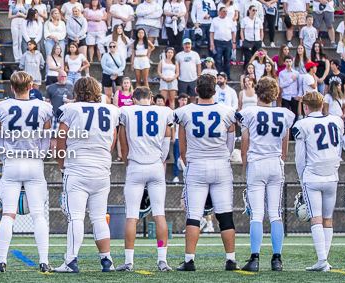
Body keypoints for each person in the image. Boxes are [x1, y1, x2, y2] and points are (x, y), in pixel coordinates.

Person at [51, 75, 119, 273]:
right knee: (99, 217)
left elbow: (60, 139)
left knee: (76, 217)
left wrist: (62, 164)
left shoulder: (70, 110)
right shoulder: (112, 110)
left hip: (78, 168)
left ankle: (71, 261)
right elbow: (111, 142)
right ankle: (107, 260)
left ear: (77, 91)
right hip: (101, 170)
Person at [173, 74, 238, 271]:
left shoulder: (184, 112)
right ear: (215, 90)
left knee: (194, 216)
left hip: (197, 166)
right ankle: (231, 260)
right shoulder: (227, 111)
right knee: (225, 215)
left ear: (195, 91)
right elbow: (230, 143)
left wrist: (189, 160)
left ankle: (190, 260)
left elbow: (181, 146)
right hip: (220, 165)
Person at [0, 72, 54, 273]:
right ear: (30, 87)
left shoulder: (1, 107)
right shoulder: (44, 108)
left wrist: (4, 156)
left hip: (11, 162)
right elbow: (46, 137)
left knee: (8, 214)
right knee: (38, 214)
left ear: (11, 87)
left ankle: (1, 261)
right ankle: (44, 261)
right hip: (34, 162)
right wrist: (40, 155)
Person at [237, 77, 294, 271]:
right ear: (275, 94)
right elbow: (285, 147)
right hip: (275, 163)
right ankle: (277, 259)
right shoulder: (285, 114)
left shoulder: (248, 112)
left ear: (257, 92)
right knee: (275, 213)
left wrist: (246, 166)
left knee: (257, 215)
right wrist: (280, 160)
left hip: (256, 163)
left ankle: (254, 259)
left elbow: (245, 145)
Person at [115, 86, 174, 272]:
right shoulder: (164, 111)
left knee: (132, 215)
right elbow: (167, 140)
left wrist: (128, 162)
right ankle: (162, 260)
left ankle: (129, 261)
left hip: (135, 165)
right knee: (159, 214)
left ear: (133, 99)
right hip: (156, 165)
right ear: (150, 98)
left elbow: (122, 142)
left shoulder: (126, 111)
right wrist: (159, 160)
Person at [293, 91, 344, 271]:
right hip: (332, 174)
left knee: (316, 218)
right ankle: (324, 260)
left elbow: (300, 158)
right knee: (328, 219)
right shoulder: (336, 121)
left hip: (313, 175)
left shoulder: (303, 124)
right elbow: (338, 150)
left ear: (305, 106)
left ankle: (322, 260)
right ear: (322, 105)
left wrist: (302, 179)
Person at [210, 7, 236, 78]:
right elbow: (211, 33)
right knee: (218, 60)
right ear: (219, 12)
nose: (225, 13)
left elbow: (233, 32)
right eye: (224, 11)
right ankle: (218, 76)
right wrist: (212, 43)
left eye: (226, 11)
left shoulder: (230, 20)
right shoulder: (215, 20)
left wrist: (234, 42)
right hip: (218, 42)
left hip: (228, 42)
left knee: (227, 60)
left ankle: (227, 76)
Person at [176, 39, 201, 106]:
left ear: (191, 45)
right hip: (182, 79)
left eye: (188, 44)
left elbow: (198, 65)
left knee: (193, 97)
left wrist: (199, 75)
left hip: (193, 79)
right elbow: (176, 66)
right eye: (186, 44)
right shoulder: (178, 55)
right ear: (183, 45)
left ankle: (194, 110)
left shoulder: (195, 54)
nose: (187, 45)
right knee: (182, 97)